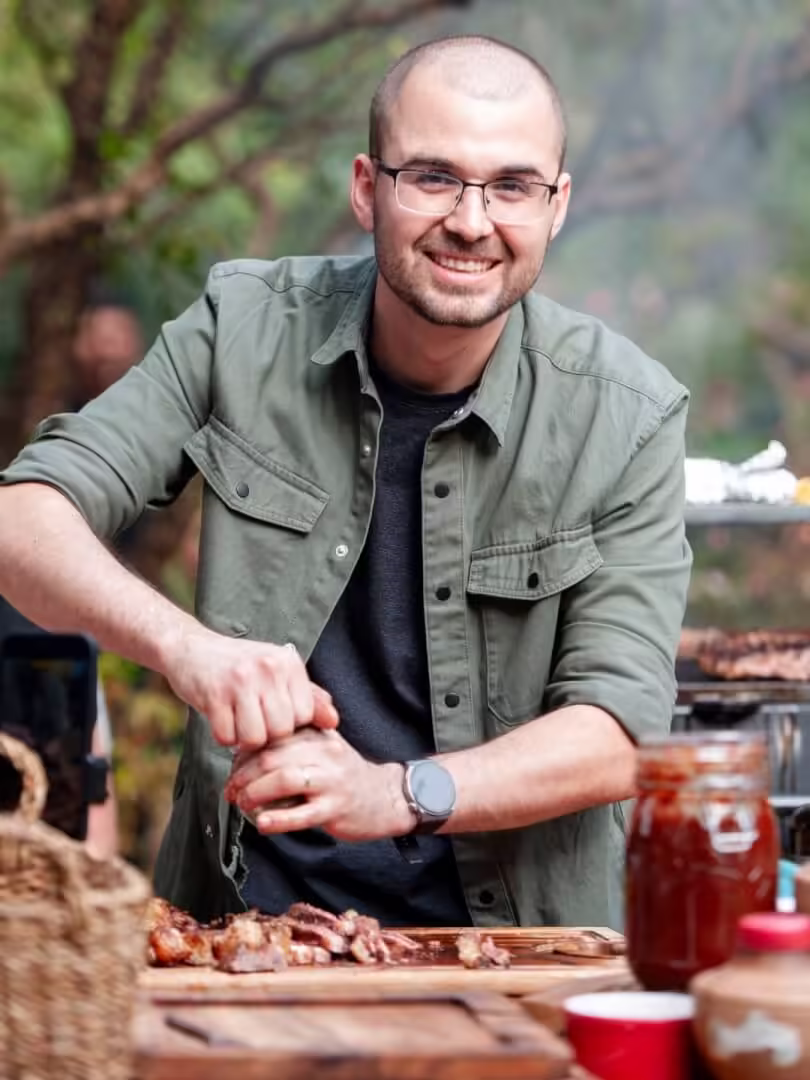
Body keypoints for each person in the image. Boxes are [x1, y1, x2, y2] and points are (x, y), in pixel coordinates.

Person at [0, 35, 691, 929]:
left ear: (556, 207)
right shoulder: (241, 329)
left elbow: (619, 733)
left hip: (519, 953)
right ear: (367, 188)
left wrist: (399, 793)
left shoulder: (629, 413)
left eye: (512, 186)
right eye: (433, 177)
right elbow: (21, 520)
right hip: (239, 937)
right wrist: (187, 649)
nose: (472, 221)